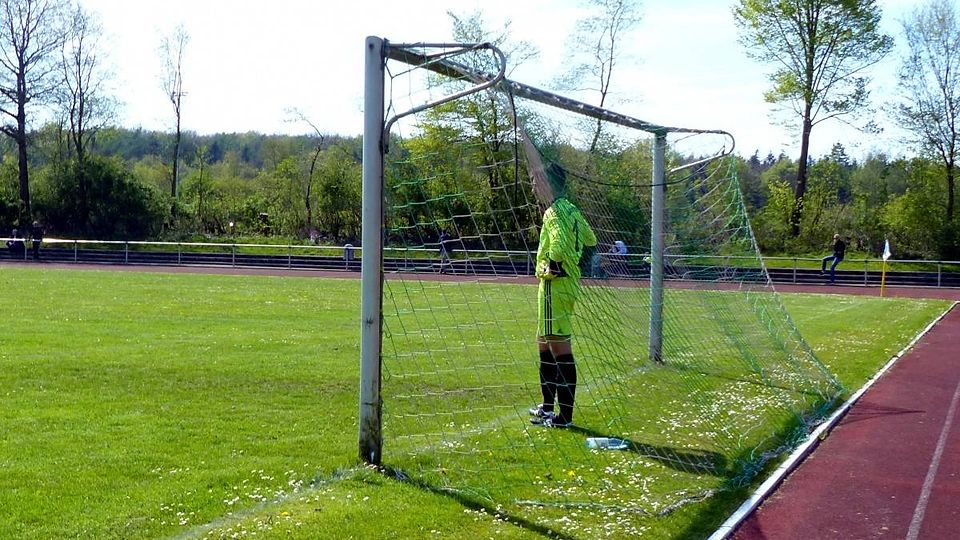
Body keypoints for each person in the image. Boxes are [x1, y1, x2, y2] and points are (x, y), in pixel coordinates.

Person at [521, 132, 597, 429]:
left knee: (558, 346)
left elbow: (562, 246)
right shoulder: (571, 209)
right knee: (544, 342)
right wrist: (573, 263)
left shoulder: (554, 212)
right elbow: (590, 239)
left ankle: (564, 417)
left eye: (535, 181)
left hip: (555, 286)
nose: (533, 186)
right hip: (564, 286)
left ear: (547, 183)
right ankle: (547, 406)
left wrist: (551, 266)